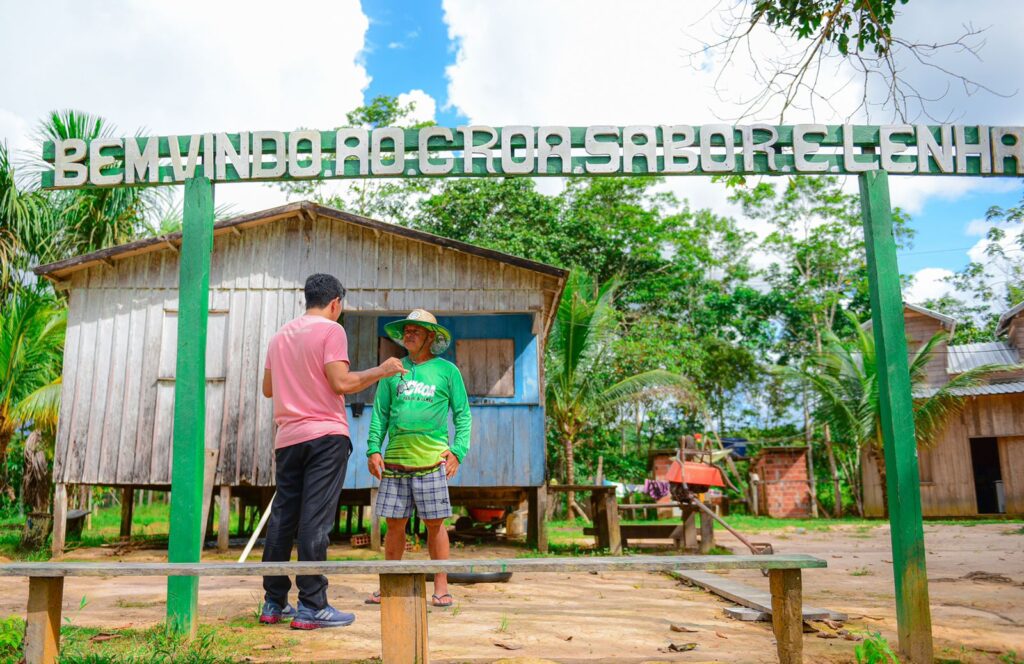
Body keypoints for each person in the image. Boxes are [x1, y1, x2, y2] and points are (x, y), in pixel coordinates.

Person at [259, 273, 406, 629]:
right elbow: (341, 383)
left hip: (288, 438)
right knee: (315, 520)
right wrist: (382, 370)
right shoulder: (331, 331)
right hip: (325, 435)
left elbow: (268, 389)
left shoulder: (280, 336)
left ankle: (274, 603)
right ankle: (312, 605)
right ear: (336, 303)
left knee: (283, 518)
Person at [365, 309, 472, 608]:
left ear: (431, 337)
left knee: (435, 524)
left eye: (416, 330)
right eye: (407, 330)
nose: (409, 334)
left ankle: (441, 587)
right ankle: (389, 584)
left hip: (431, 461)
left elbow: (463, 415)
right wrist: (373, 449)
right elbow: (380, 414)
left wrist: (458, 451)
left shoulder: (447, 371)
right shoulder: (393, 371)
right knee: (394, 524)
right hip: (395, 460)